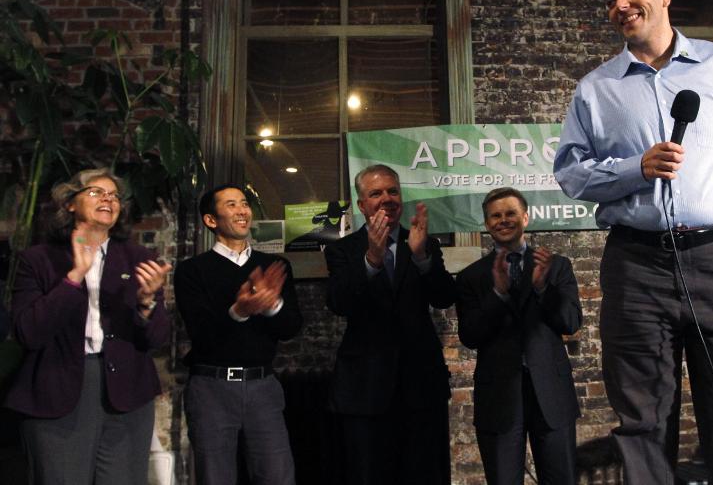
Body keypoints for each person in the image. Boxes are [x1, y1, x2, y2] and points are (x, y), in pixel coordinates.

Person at [553, 0, 713, 484]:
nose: (620, 5)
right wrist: (636, 168)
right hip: (637, 268)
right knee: (643, 424)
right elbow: (571, 172)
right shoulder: (595, 89)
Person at [5, 167, 171, 484]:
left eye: (114, 195)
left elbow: (157, 339)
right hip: (57, 390)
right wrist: (74, 278)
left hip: (127, 395)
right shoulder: (38, 260)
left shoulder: (138, 258)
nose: (107, 198)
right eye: (96, 192)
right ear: (70, 204)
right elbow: (29, 332)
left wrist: (147, 303)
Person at [325, 164, 457, 485]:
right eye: (376, 193)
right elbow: (339, 303)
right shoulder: (342, 250)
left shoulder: (424, 242)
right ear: (361, 205)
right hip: (365, 388)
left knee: (425, 473)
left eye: (393, 191)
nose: (387, 198)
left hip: (421, 386)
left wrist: (423, 257)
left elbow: (443, 297)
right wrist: (371, 259)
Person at [174, 184, 302, 485]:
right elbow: (201, 333)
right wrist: (240, 310)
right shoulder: (192, 270)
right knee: (215, 477)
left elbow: (291, 328)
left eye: (244, 204)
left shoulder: (275, 265)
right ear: (211, 220)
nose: (242, 210)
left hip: (263, 386)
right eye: (231, 205)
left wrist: (271, 305)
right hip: (211, 388)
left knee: (278, 476)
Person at [456, 187, 582, 485]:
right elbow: (470, 335)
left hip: (551, 394)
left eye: (510, 213)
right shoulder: (471, 277)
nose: (503, 220)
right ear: (486, 224)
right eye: (495, 216)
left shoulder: (556, 266)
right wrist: (498, 294)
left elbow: (571, 322)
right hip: (498, 397)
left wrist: (542, 289)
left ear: (525, 217)